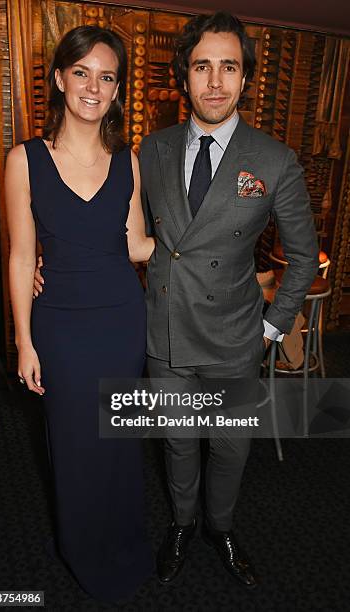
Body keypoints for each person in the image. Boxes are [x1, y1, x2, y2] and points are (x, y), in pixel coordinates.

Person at [138, 11, 318, 587]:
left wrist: (271, 328)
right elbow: (130, 234)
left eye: (229, 67)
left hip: (236, 336)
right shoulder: (154, 148)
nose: (214, 81)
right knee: (178, 442)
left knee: (231, 448)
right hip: (166, 332)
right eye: (202, 66)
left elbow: (303, 256)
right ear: (184, 77)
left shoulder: (273, 160)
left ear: (244, 80)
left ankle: (222, 526)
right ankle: (184, 524)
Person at [5, 26, 154, 603]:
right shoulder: (25, 159)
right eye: (83, 72)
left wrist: (205, 248)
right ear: (61, 78)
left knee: (118, 442)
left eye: (108, 76)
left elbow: (137, 245)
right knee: (72, 445)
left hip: (122, 321)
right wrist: (23, 340)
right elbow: (21, 257)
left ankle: (122, 539)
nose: (95, 86)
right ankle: (83, 549)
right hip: (61, 328)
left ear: (117, 89)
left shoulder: (129, 162)